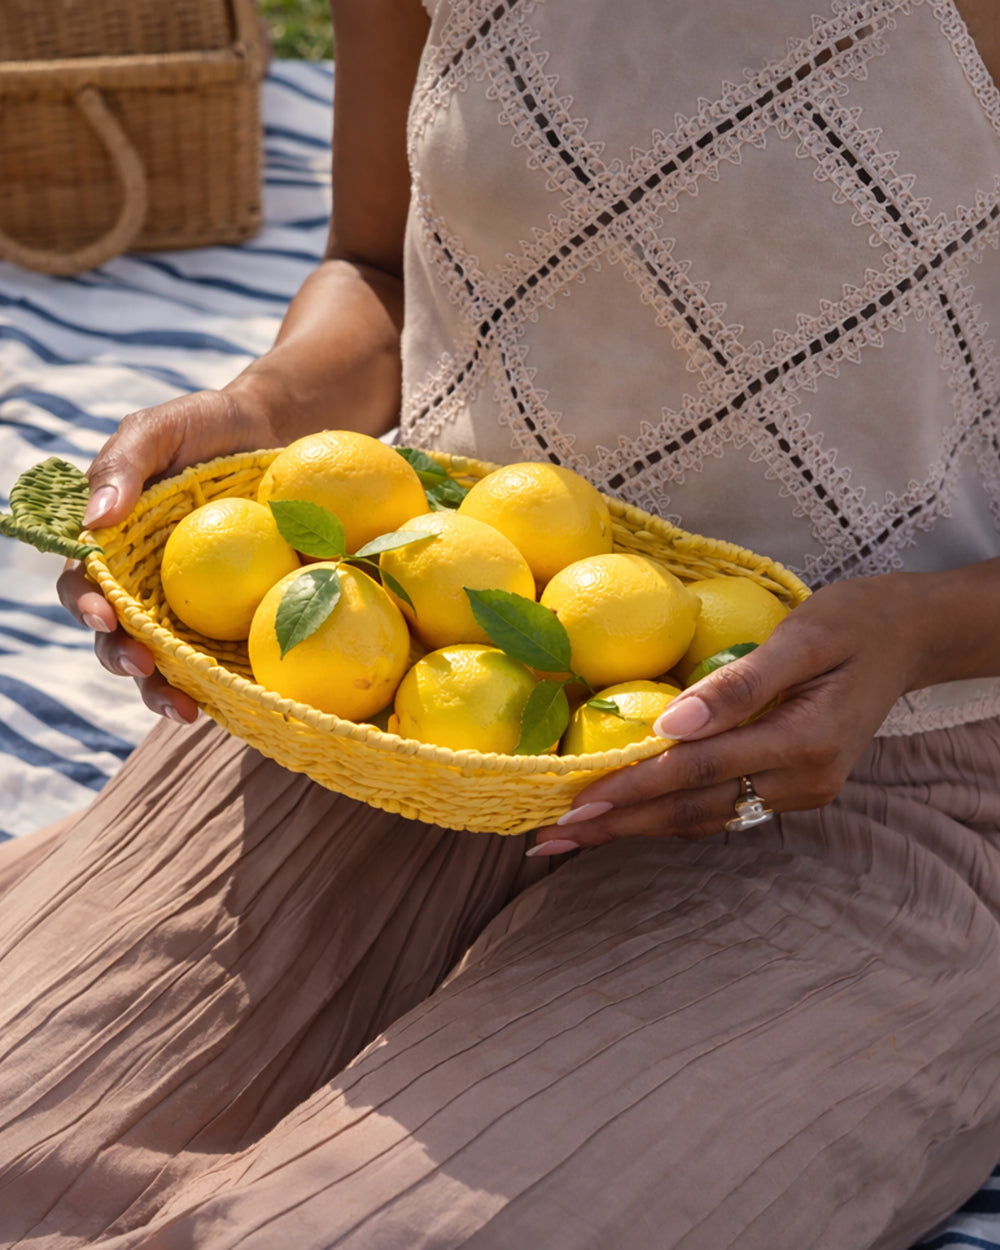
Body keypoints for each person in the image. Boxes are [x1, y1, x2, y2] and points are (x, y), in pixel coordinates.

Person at [2, 0, 1000, 1245]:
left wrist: (914, 631)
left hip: (880, 785)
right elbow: (372, 266)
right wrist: (262, 411)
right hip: (391, 713)